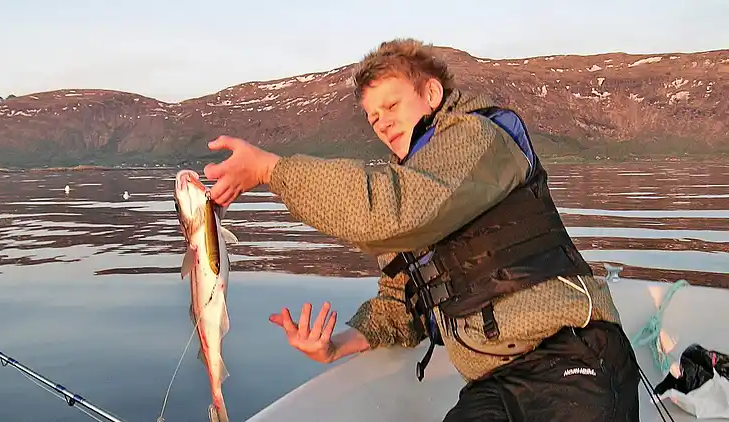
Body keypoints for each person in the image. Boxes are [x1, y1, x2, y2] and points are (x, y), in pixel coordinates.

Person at [203, 38, 641, 421]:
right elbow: (400, 309)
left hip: (573, 355)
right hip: (496, 382)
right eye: (373, 117)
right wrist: (334, 346)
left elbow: (393, 209)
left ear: (431, 93)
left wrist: (270, 171)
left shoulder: (476, 138)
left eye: (391, 106)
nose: (382, 122)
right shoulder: (412, 185)